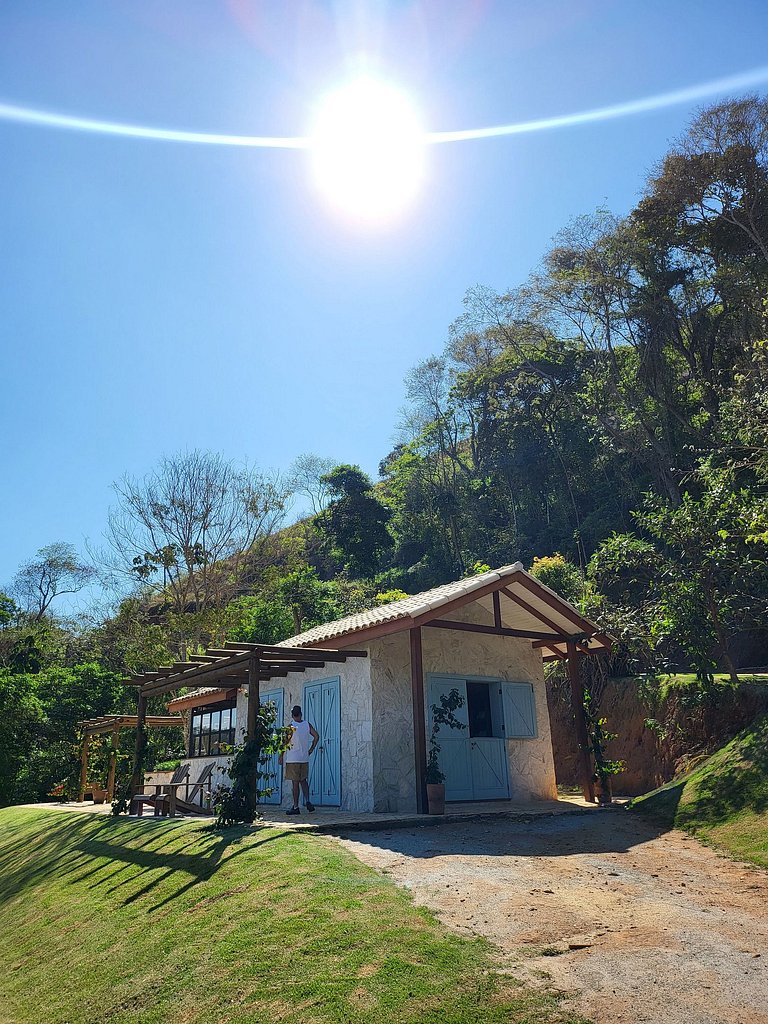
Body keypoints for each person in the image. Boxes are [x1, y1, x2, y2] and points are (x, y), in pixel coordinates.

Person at [279, 704, 319, 815]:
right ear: (301, 714)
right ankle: (308, 800)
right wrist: (311, 749)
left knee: (295, 783)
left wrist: (281, 755)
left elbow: (285, 742)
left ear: (292, 715)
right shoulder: (307, 725)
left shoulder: (291, 727)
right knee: (303, 780)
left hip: (293, 758)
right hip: (304, 757)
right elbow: (316, 736)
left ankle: (296, 807)